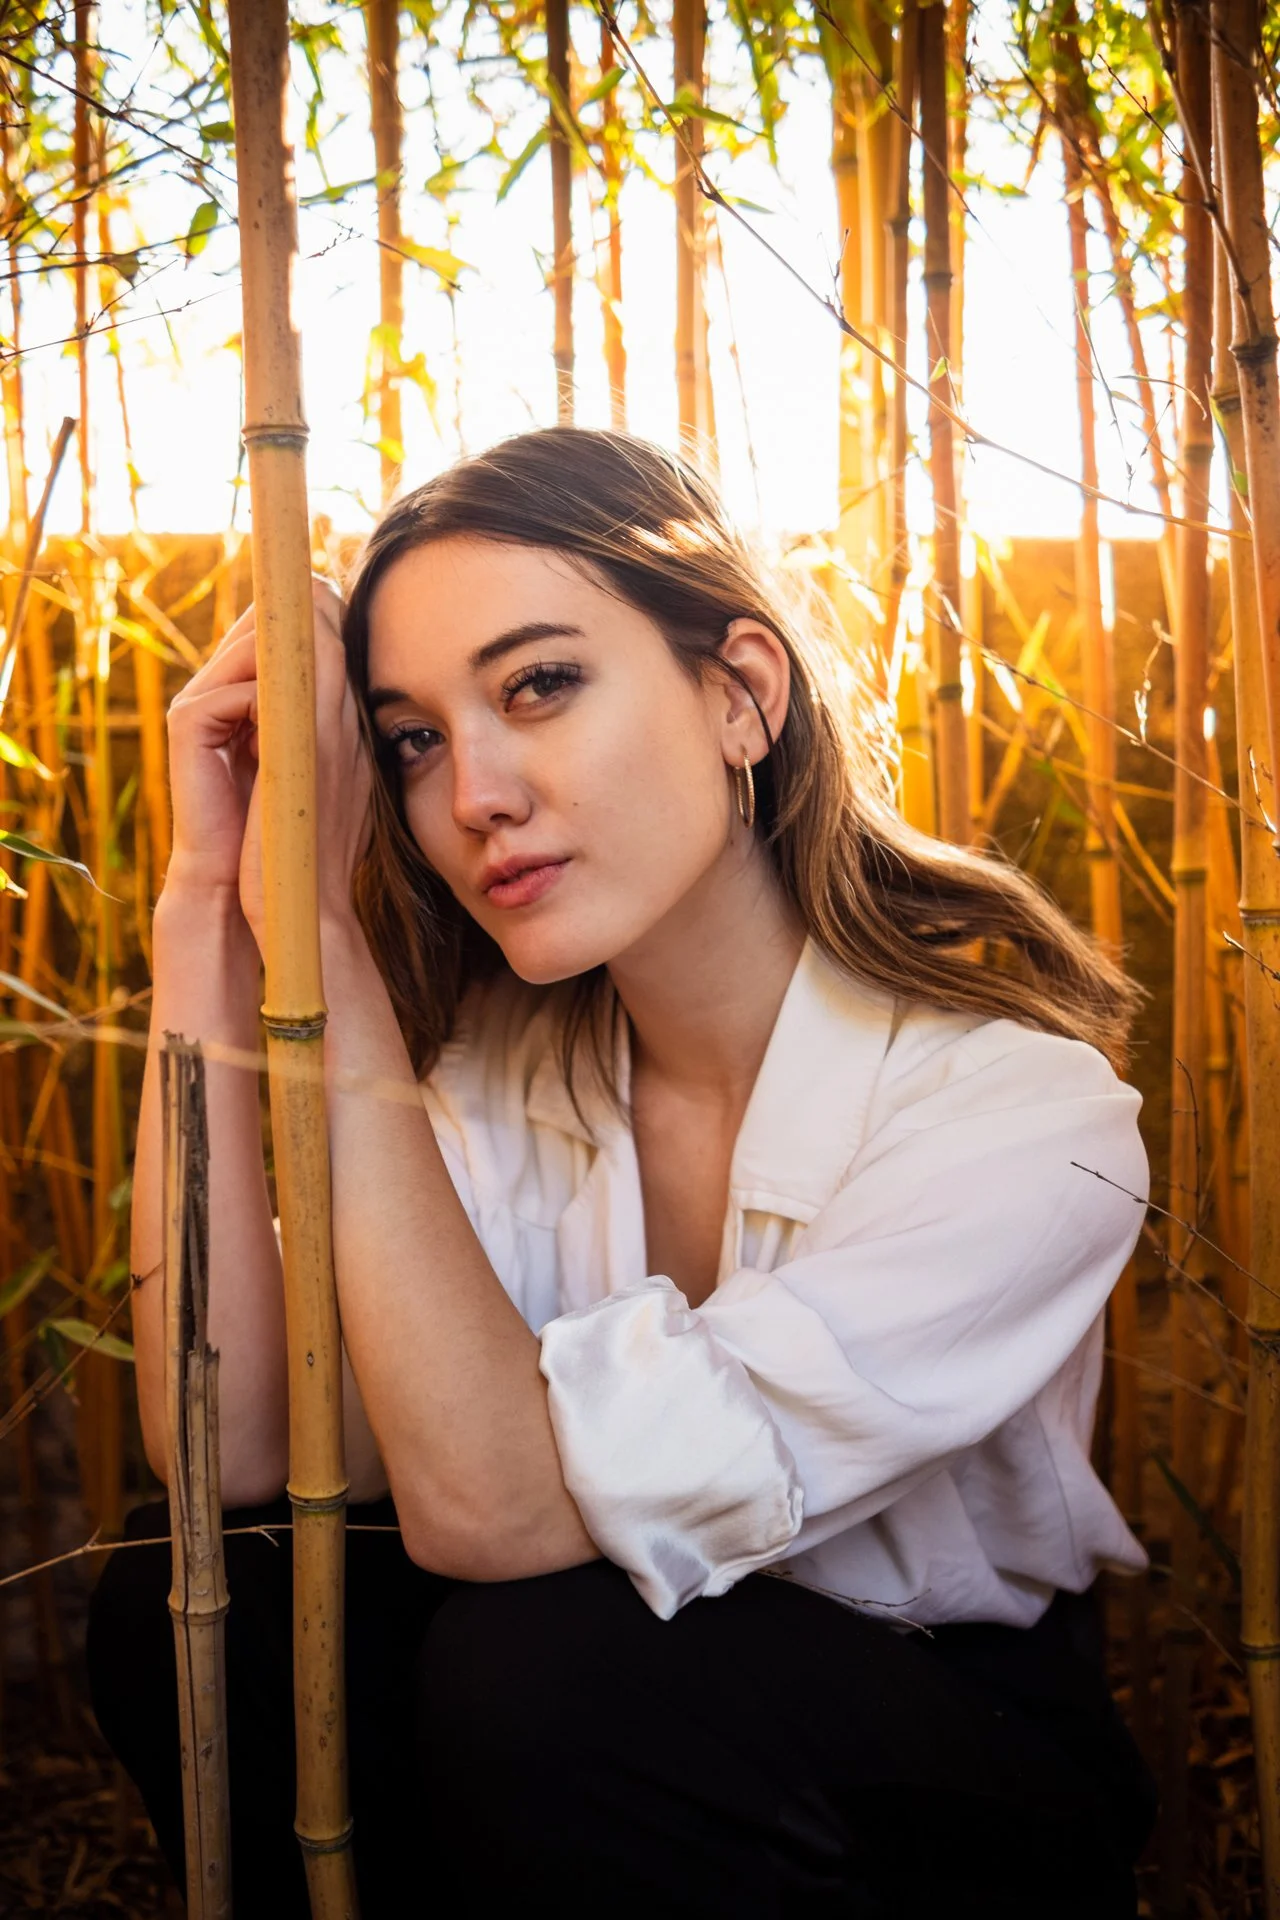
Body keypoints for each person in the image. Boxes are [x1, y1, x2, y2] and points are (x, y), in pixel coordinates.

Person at [88, 428, 1156, 1917]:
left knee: (545, 1665)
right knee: (204, 1590)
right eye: (411, 741)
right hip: (583, 1735)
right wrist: (212, 898)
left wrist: (329, 947)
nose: (476, 794)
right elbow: (236, 1448)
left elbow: (499, 1516)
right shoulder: (502, 1075)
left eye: (538, 685)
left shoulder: (1023, 1115)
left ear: (741, 695)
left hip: (934, 1759)